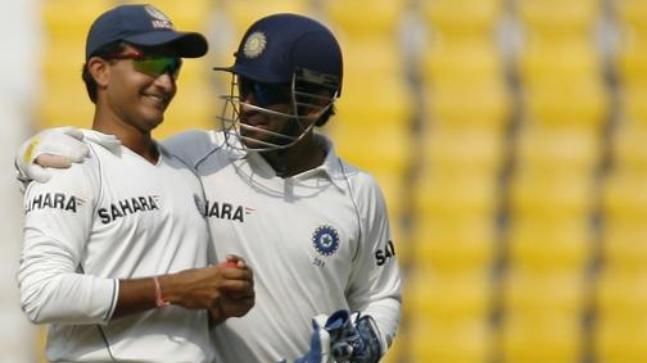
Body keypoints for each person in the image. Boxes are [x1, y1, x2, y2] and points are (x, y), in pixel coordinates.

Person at [17, 13, 401, 363]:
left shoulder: (358, 192)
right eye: (245, 85)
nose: (248, 103)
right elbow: (115, 163)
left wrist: (369, 339)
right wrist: (32, 152)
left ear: (317, 102)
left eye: (266, 91)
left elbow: (381, 295)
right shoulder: (196, 157)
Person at [17, 4, 254, 362]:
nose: (166, 81)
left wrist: (220, 301)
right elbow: (42, 295)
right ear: (101, 71)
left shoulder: (183, 171)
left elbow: (168, 324)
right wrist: (172, 288)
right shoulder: (69, 163)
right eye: (150, 63)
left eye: (174, 67)